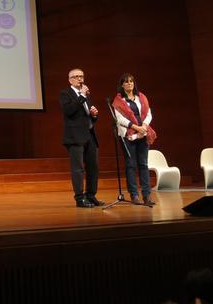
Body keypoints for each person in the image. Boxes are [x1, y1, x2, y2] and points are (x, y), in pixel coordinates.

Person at [112, 73, 157, 206]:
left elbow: (148, 114)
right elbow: (120, 119)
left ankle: (146, 195)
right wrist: (136, 127)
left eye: (131, 81)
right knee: (131, 165)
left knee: (143, 164)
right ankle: (134, 195)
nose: (129, 84)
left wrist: (144, 127)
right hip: (128, 134)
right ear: (122, 85)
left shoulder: (141, 97)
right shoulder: (118, 100)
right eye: (126, 82)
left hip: (143, 133)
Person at [59, 68, 102, 208]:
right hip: (75, 137)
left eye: (81, 76)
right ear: (70, 80)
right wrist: (82, 96)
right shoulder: (65, 93)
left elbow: (87, 116)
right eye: (76, 76)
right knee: (78, 169)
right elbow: (69, 111)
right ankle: (79, 198)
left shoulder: (85, 95)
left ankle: (91, 195)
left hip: (90, 135)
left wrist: (94, 115)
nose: (80, 79)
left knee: (93, 168)